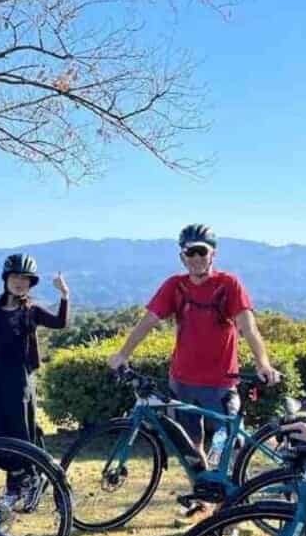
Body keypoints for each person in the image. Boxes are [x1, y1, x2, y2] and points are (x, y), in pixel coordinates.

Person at [108, 223, 280, 520]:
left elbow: (248, 327)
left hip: (222, 382)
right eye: (191, 252)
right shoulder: (175, 286)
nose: (197, 257)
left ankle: (236, 505)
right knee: (191, 447)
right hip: (183, 381)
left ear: (213, 254)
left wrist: (263, 363)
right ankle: (203, 500)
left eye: (203, 251)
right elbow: (148, 321)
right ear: (182, 257)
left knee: (231, 444)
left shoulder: (228, 284)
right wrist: (123, 353)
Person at [0, 253, 69, 502]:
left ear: (31, 283)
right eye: (15, 277)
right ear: (6, 279)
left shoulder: (31, 311)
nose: (19, 282)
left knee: (20, 432)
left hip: (19, 379)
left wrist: (64, 295)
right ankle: (17, 481)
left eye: (25, 278)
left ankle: (26, 481)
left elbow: (60, 323)